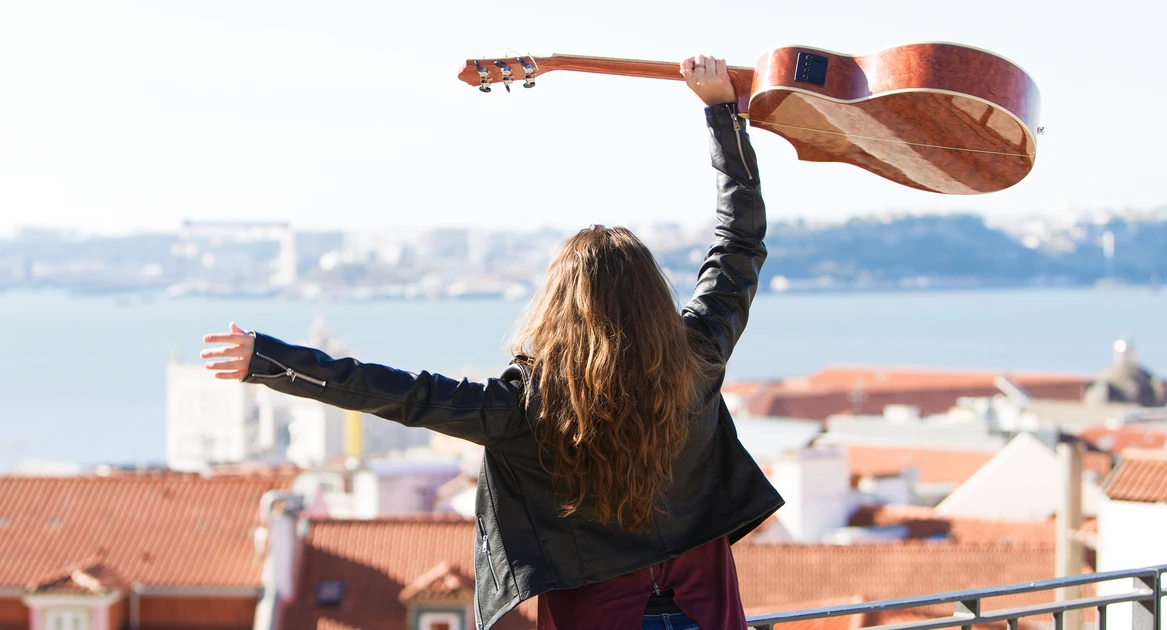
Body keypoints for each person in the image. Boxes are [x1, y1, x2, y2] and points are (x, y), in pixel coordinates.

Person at [201, 55, 782, 630]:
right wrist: (721, 114)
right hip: (707, 615)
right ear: (654, 297)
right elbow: (739, 242)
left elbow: (400, 395)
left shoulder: (527, 406)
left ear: (558, 310)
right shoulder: (698, 356)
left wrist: (270, 362)